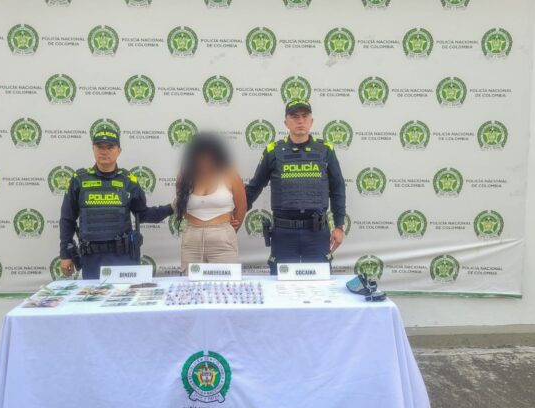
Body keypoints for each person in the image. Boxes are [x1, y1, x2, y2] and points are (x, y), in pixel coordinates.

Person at [245, 99, 347, 275]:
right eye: (294, 117)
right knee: (280, 285)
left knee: (319, 285)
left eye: (305, 116)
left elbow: (337, 188)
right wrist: (236, 214)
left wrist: (339, 225)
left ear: (311, 121)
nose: (300, 121)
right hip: (283, 233)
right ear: (286, 122)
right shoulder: (273, 151)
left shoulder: (325, 150)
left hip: (316, 233)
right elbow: (254, 187)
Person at [59, 127, 174, 279]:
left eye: (110, 147)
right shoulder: (79, 180)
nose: (104, 152)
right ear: (93, 149)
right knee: (93, 295)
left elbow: (143, 215)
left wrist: (172, 208)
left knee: (127, 294)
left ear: (119, 151)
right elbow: (67, 219)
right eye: (100, 147)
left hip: (123, 258)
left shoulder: (129, 180)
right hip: (92, 260)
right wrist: (65, 254)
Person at [174, 132, 247, 274]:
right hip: (191, 239)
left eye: (209, 156)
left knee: (225, 284)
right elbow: (182, 206)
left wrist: (229, 230)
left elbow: (242, 207)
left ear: (217, 155)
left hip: (222, 239)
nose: (204, 160)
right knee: (190, 284)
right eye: (200, 156)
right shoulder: (184, 176)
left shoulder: (230, 174)